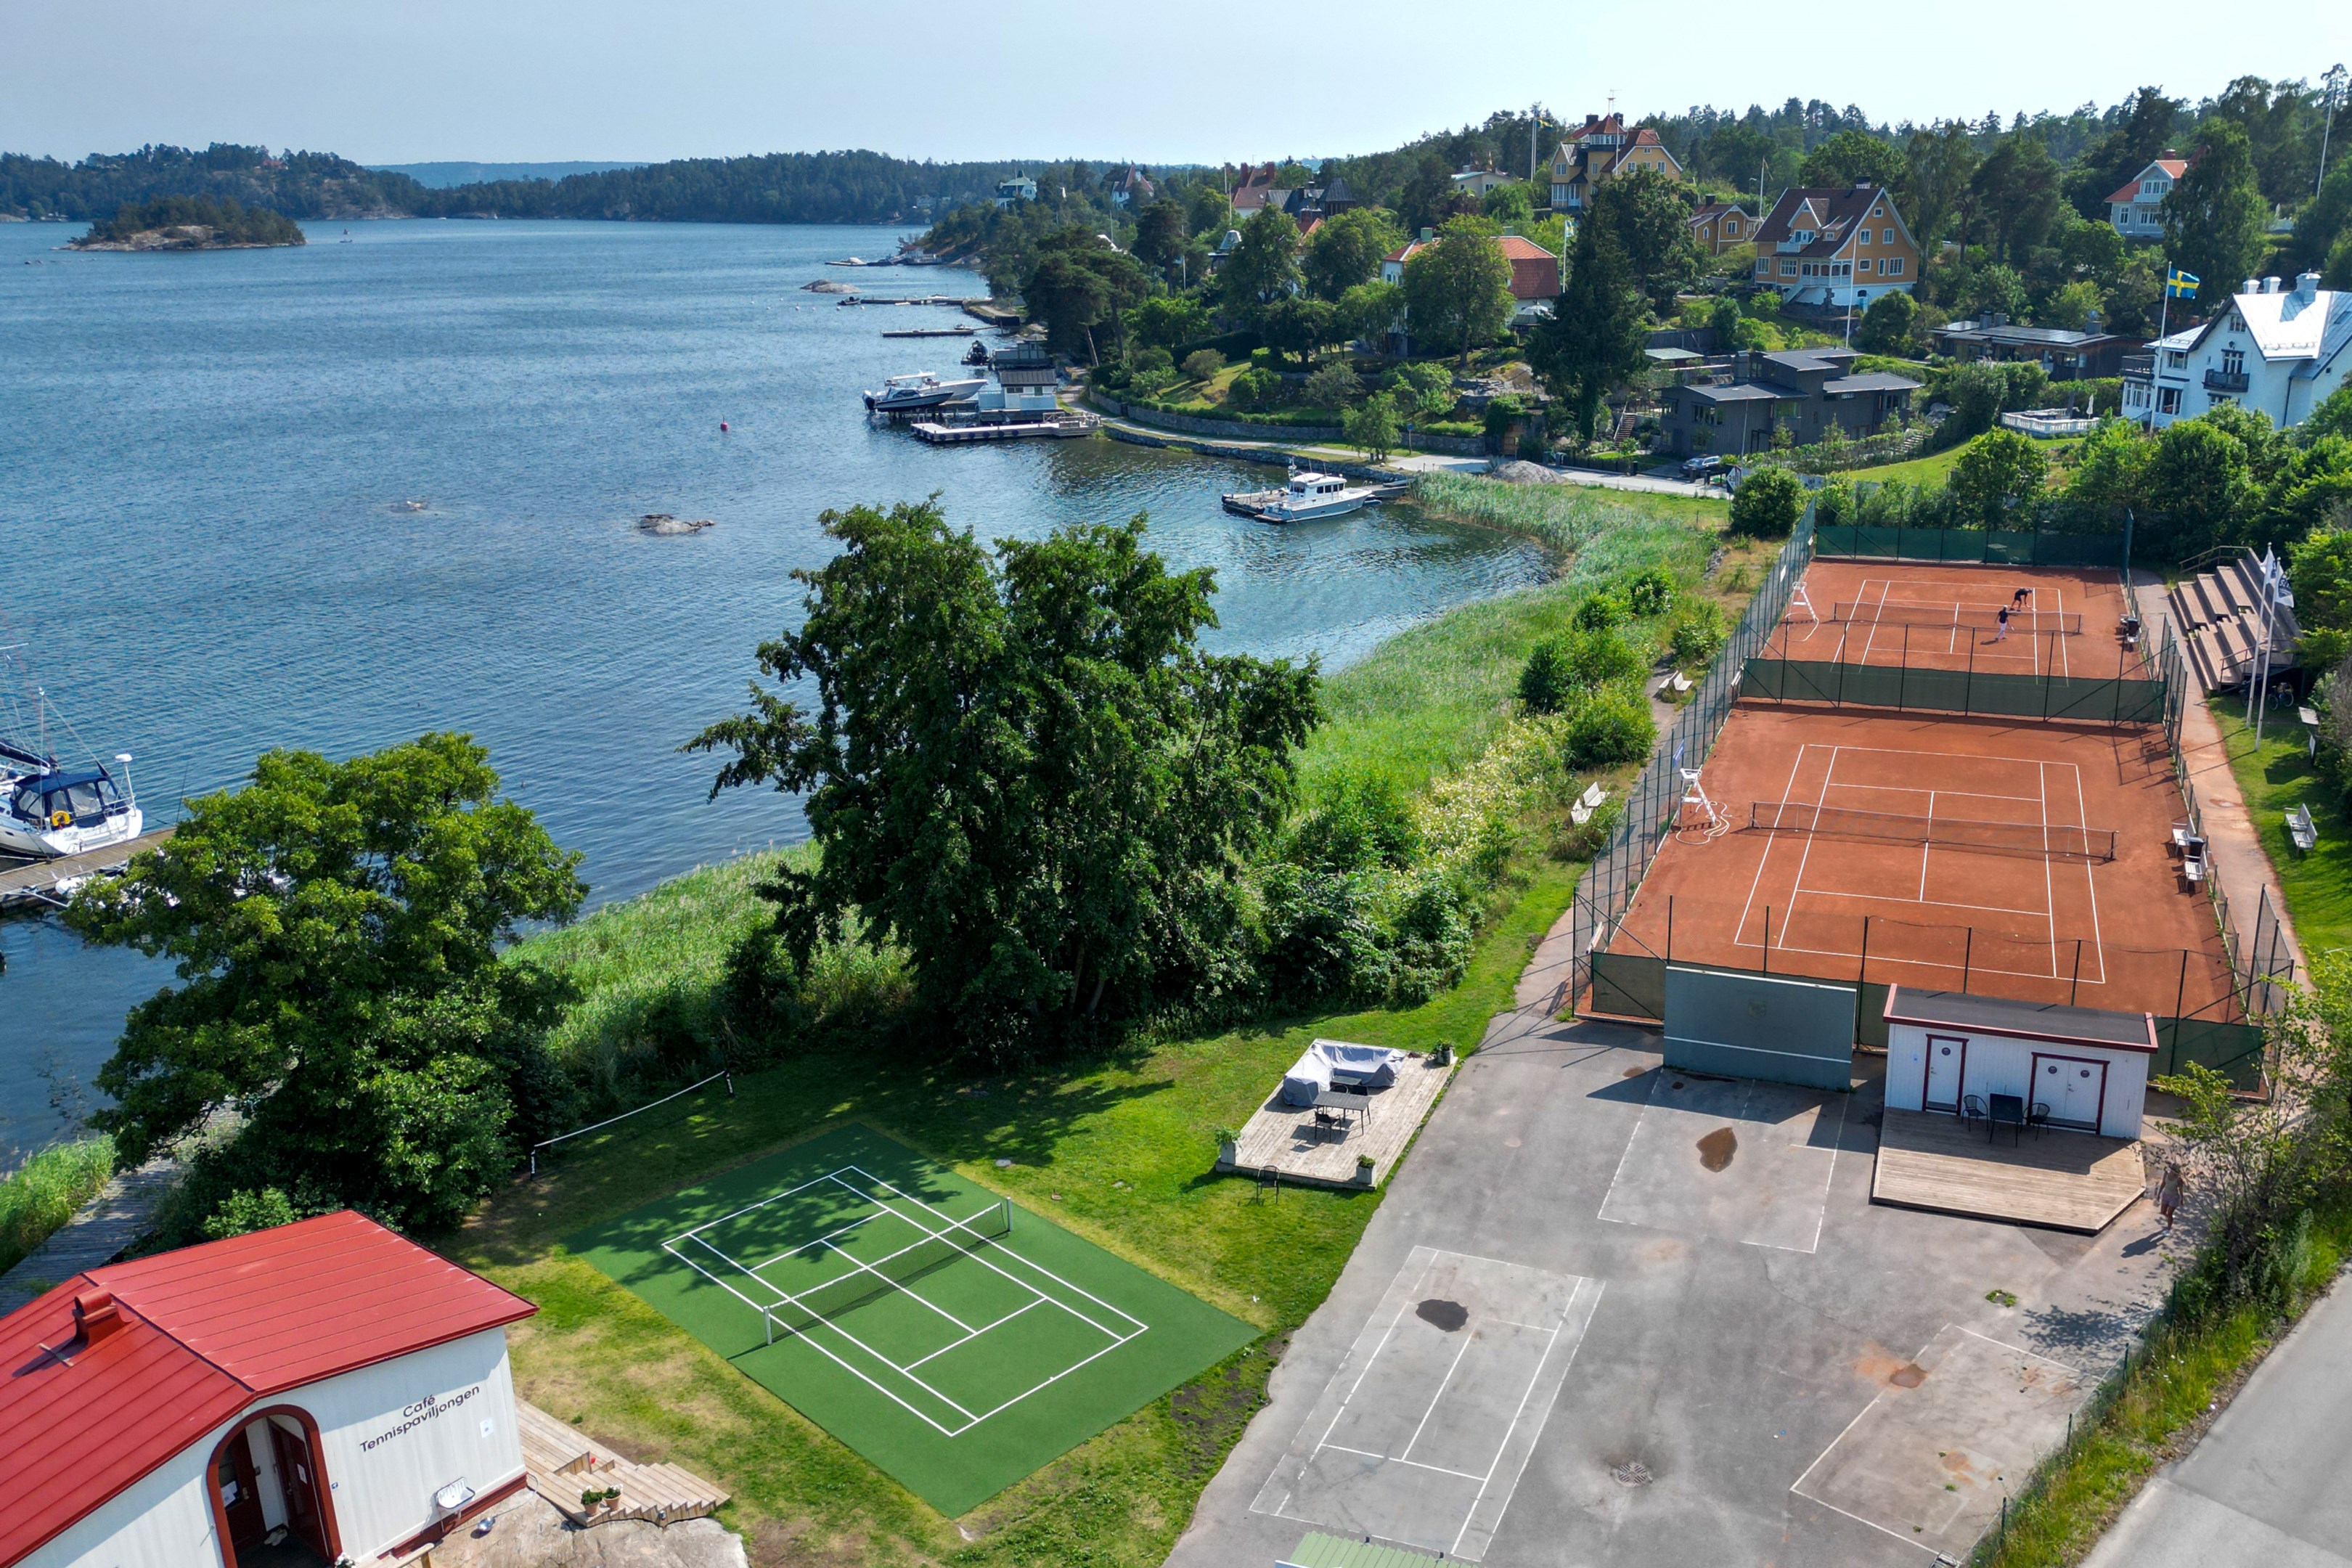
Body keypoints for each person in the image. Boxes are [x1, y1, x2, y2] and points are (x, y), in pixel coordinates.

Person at [2156, 1161, 2184, 1230]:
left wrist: (2181, 1198)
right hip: (2166, 1195)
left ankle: (2169, 1227)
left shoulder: (2179, 1179)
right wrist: (2159, 1194)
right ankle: (2169, 1218)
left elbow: (2180, 1189)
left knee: (2170, 1213)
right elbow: (2163, 1184)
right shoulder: (2166, 1174)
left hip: (2174, 1197)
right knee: (2163, 1211)